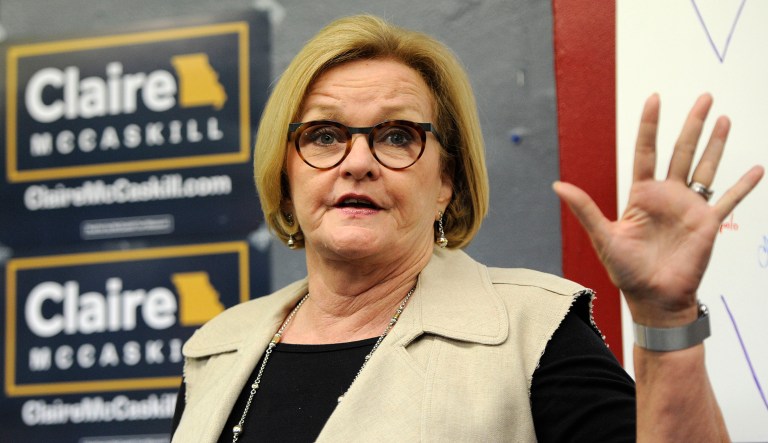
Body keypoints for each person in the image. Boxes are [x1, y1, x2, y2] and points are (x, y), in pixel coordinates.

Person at [170, 14, 763, 442]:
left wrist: (665, 319)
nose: (357, 162)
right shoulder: (218, 349)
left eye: (397, 136)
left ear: (446, 182)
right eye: (324, 135)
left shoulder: (534, 330)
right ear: (285, 172)